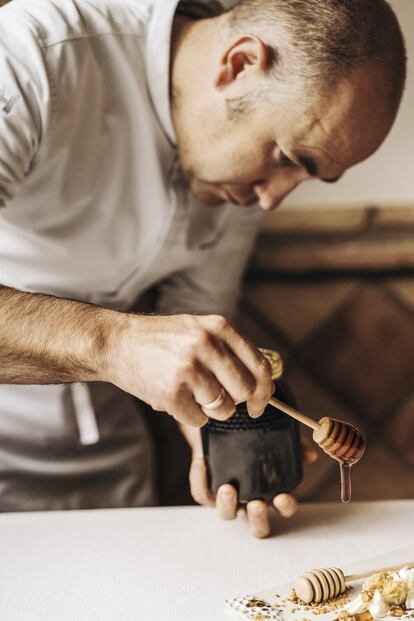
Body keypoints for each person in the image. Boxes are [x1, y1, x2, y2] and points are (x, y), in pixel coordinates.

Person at [0, 0, 406, 537]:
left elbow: (194, 322)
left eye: (306, 178)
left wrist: (225, 435)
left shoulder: (240, 185)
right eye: (289, 158)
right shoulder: (32, 56)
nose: (272, 200)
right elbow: (125, 344)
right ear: (239, 65)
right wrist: (113, 344)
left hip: (110, 474)